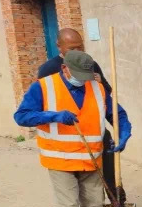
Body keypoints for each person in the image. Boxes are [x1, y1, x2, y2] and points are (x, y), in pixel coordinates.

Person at [14, 50, 131, 207]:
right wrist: (53, 116)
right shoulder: (43, 87)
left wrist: (123, 132)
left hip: (91, 158)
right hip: (61, 159)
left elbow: (117, 113)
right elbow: (21, 116)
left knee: (94, 204)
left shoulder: (97, 87)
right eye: (78, 75)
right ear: (65, 68)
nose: (83, 81)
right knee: (68, 206)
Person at [37, 28, 117, 196]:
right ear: (59, 46)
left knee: (110, 177)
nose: (77, 52)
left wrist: (100, 83)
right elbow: (39, 107)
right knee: (77, 193)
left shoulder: (90, 64)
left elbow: (107, 95)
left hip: (96, 135)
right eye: (72, 49)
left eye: (80, 47)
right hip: (67, 143)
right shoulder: (47, 70)